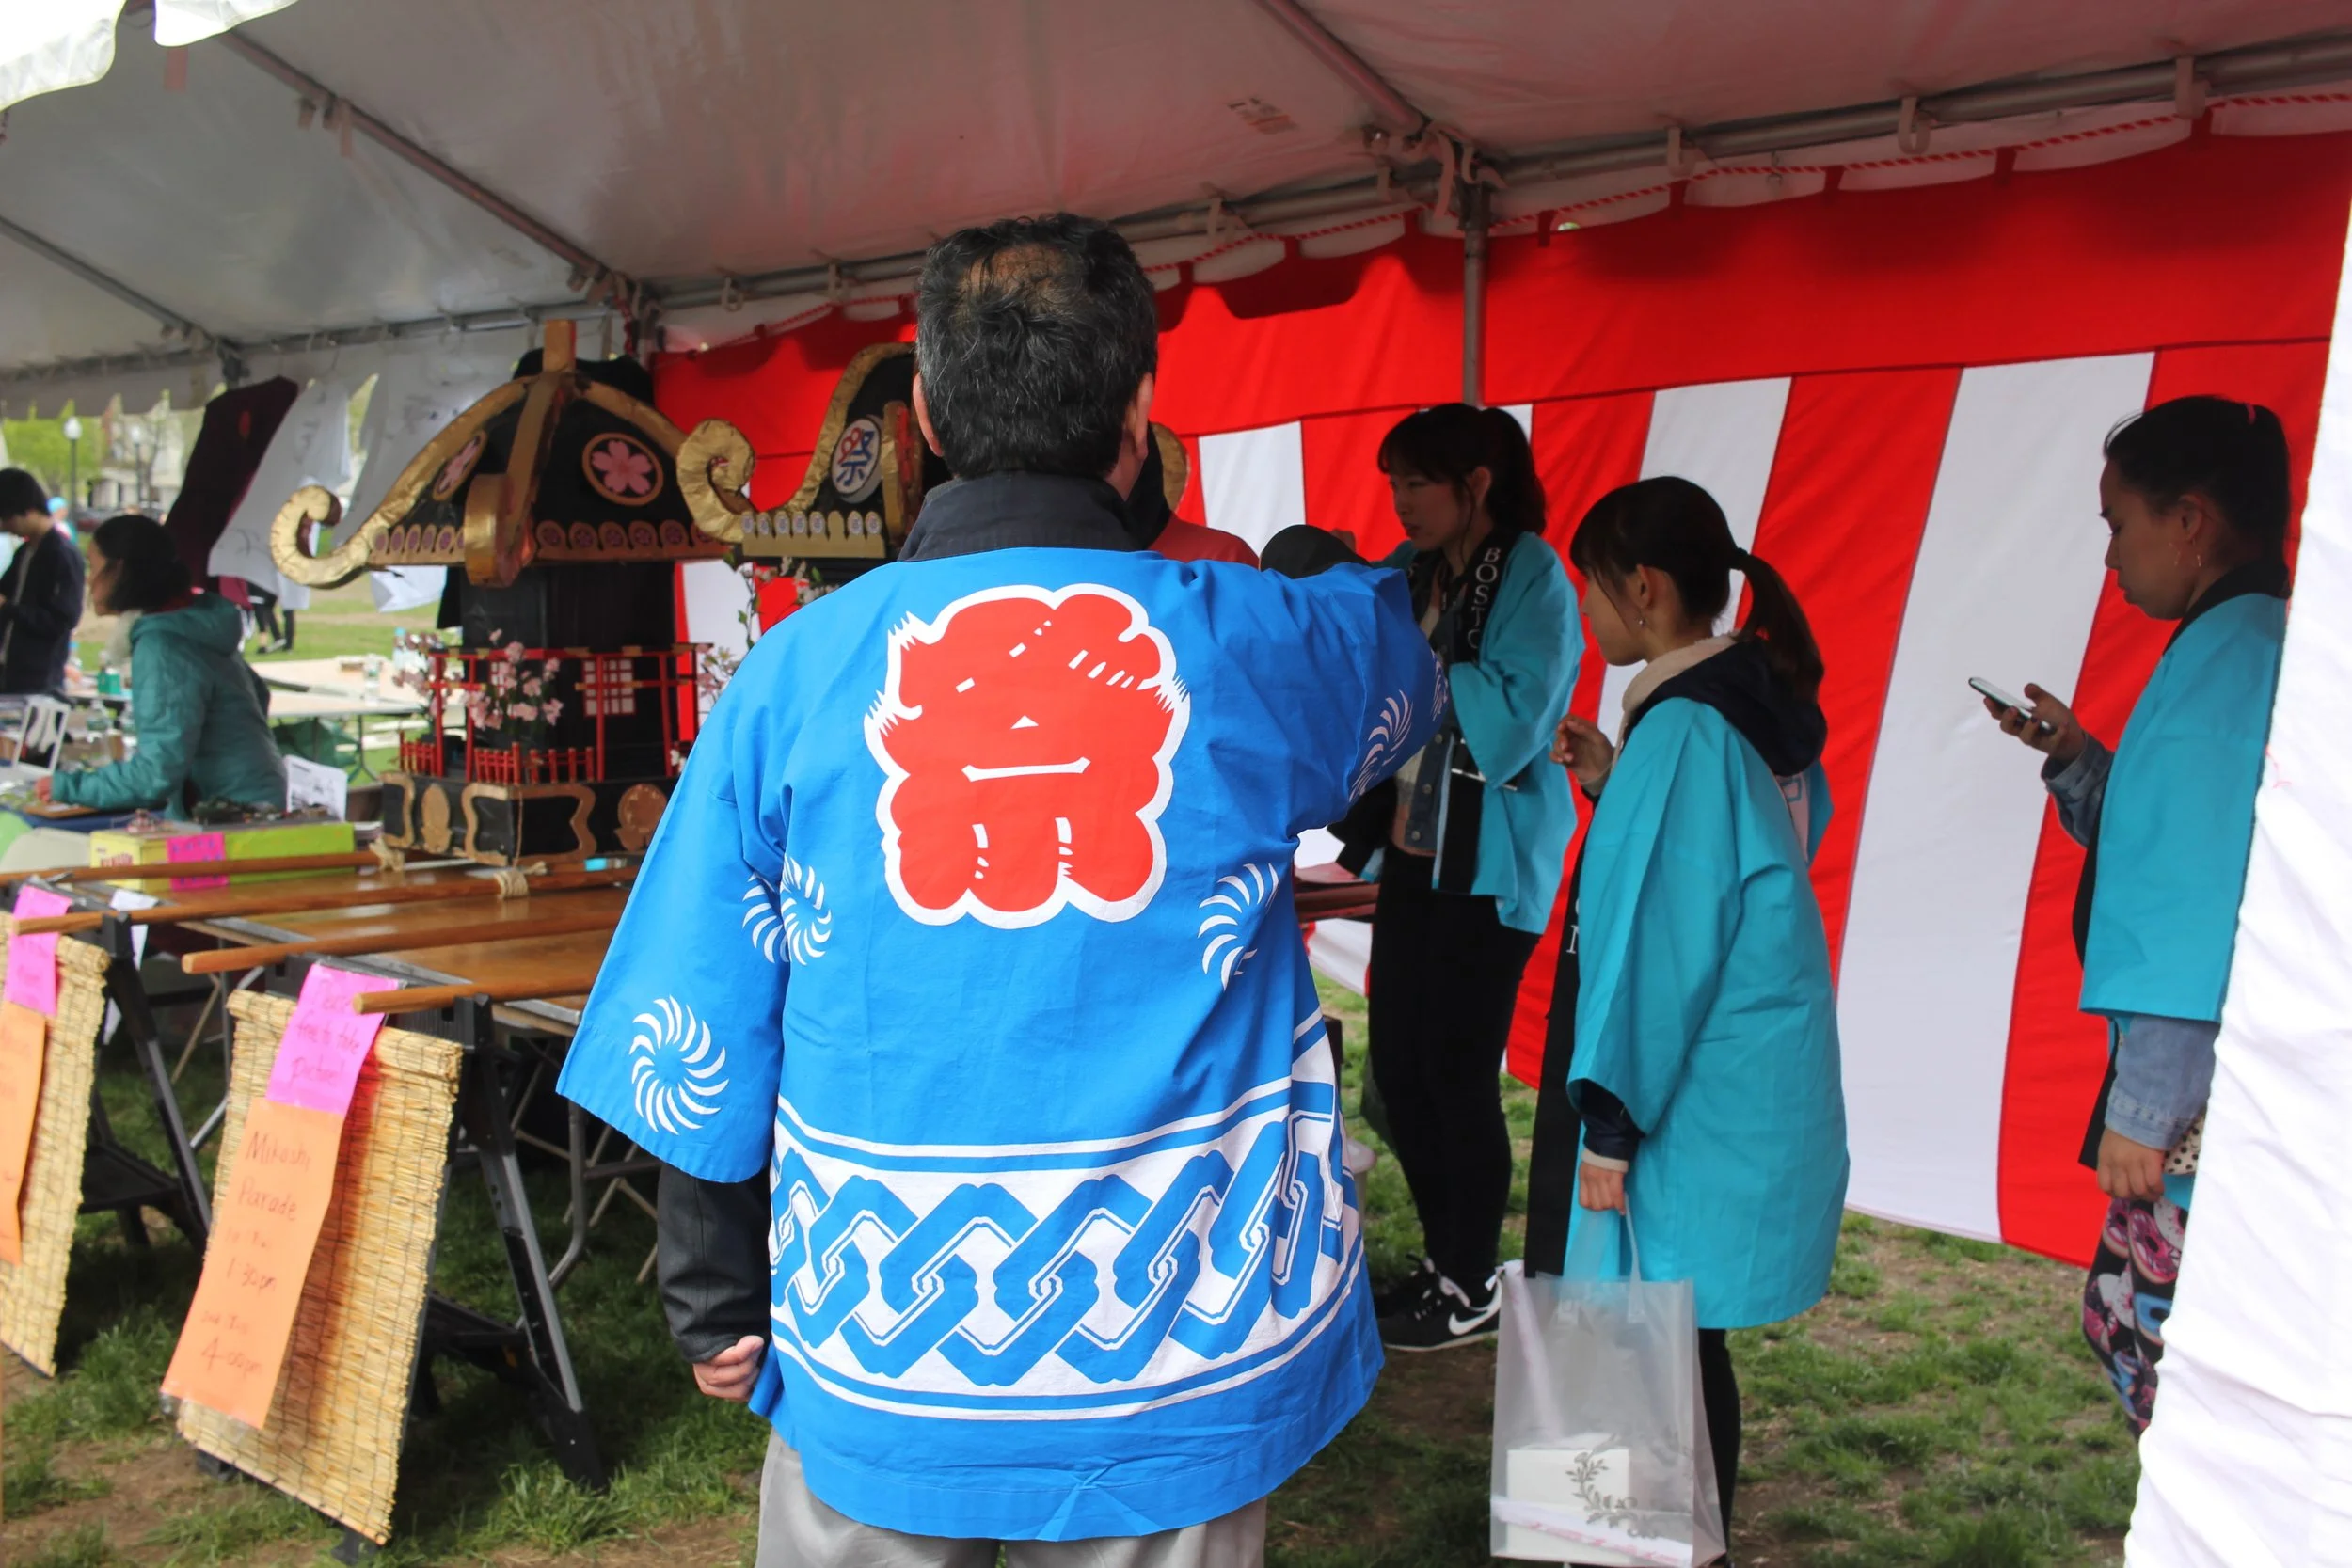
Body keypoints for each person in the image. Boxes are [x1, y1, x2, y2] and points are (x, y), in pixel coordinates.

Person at [557, 214, 1446, 1566]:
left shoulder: (790, 676)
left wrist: (714, 1289)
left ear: (922, 413)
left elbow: (701, 1013)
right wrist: (1309, 562)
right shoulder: (1252, 639)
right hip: (1173, 1336)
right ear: (1139, 413)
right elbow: (1395, 648)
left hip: (882, 1330)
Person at [1531, 476, 1848, 1536]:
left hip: (1678, 1088)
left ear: (1644, 588)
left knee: (1648, 1340)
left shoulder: (1683, 731)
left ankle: (1657, 1545)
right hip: (1741, 1077)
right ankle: (1678, 1539)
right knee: (1685, 1340)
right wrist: (1619, 781)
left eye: (1591, 585)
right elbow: (1741, 859)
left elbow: (1656, 947)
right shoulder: (1749, 700)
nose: (1586, 607)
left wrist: (1610, 1125)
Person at [1981, 395, 2292, 1433]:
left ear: (2189, 519)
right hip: (2218, 1091)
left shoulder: (2232, 658)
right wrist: (2076, 759)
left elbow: (2192, 901)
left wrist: (2146, 1108)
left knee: (2159, 1355)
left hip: (2198, 1103)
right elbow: (2166, 834)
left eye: (2119, 523)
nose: (2111, 554)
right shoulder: (2241, 637)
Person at [1335, 404, 1580, 1353]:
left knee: (1454, 1073)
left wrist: (1410, 659)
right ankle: (1450, 1266)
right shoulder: (1411, 571)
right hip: (1415, 855)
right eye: (1393, 482)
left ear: (1476, 482)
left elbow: (1513, 720)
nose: (1401, 502)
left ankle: (1469, 1279)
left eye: (1417, 482)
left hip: (1489, 866)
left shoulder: (1532, 574)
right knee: (1399, 1071)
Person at [37, 515, 285, 814]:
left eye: (94, 566)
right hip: (250, 796)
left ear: (120, 569)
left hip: (233, 812)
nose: (89, 580)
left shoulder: (164, 645)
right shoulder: (193, 623)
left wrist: (69, 787)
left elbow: (156, 773)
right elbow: (257, 695)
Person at [0, 467, 87, 695]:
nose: (5, 527)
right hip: (9, 671)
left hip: (39, 678)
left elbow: (61, 621)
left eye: (7, 519)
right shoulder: (25, 552)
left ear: (29, 511)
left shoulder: (62, 555)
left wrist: (8, 608)